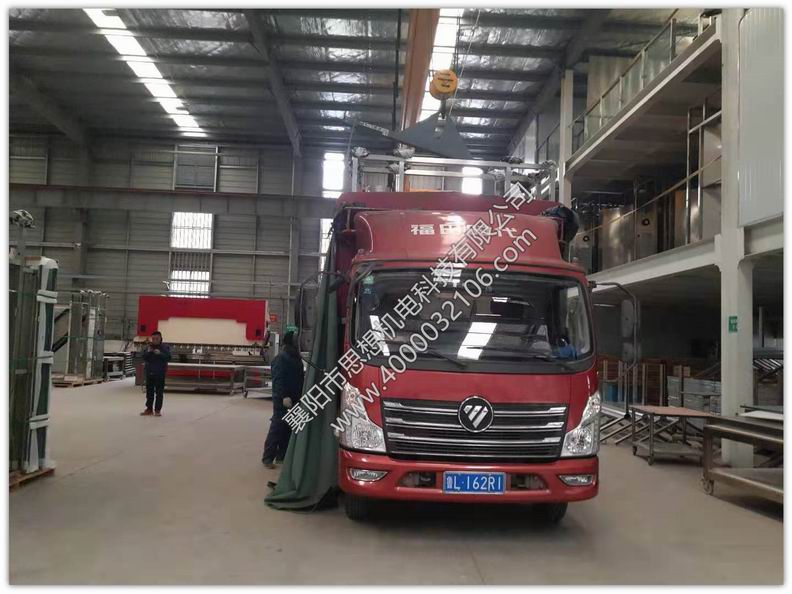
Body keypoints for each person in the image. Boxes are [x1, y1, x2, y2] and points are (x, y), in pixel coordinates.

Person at [262, 331, 304, 468]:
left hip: (295, 399)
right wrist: (284, 396)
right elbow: (278, 380)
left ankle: (282, 456)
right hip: (283, 400)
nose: (298, 342)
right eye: (296, 339)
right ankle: (268, 457)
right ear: (290, 342)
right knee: (278, 428)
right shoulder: (281, 358)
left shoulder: (296, 358)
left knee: (288, 429)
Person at [141, 331, 172, 417]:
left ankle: (157, 410)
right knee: (149, 392)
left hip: (160, 373)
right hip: (150, 372)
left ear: (160, 339)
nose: (154, 340)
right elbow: (144, 357)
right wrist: (148, 352)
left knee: (159, 392)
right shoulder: (149, 347)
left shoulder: (165, 347)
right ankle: (149, 409)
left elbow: (169, 358)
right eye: (153, 338)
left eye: (156, 339)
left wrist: (160, 354)